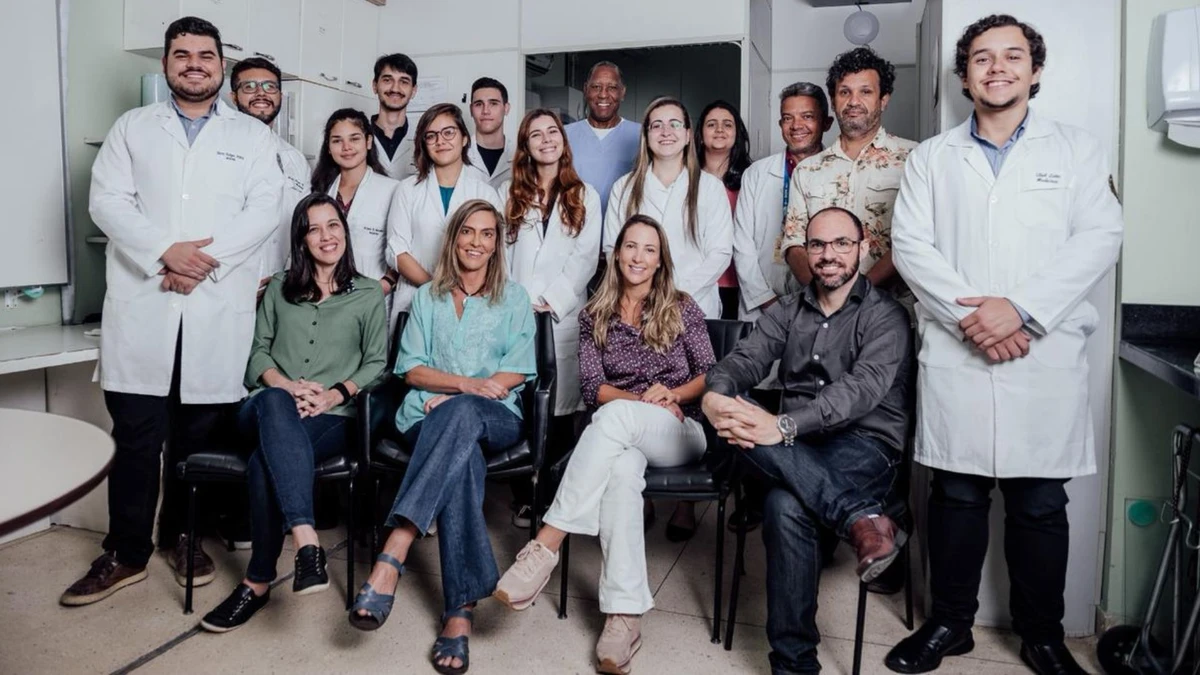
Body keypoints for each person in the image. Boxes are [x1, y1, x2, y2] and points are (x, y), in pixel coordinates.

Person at [885, 15, 1123, 675]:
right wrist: (977, 320)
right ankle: (949, 624)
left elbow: (1099, 239)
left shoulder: (1076, 150)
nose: (997, 68)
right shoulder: (933, 157)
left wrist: (1017, 310)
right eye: (982, 59)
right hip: (961, 352)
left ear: (1035, 70)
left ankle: (1042, 634)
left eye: (1012, 57)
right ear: (964, 76)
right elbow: (910, 246)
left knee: (1040, 504)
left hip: (1040, 354)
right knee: (955, 497)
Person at [63, 16, 282, 606]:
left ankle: (183, 536)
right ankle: (126, 551)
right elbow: (106, 201)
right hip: (145, 306)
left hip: (213, 310)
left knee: (195, 443)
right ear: (165, 65)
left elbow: (264, 210)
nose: (194, 63)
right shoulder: (133, 128)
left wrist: (200, 264)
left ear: (221, 66)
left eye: (205, 55)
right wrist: (166, 252)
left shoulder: (253, 139)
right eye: (181, 54)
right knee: (136, 439)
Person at [494, 214, 716, 675]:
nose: (638, 256)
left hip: (680, 430)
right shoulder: (595, 312)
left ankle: (546, 543)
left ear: (660, 260)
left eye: (649, 249)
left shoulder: (682, 305)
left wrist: (671, 395)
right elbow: (595, 388)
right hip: (624, 432)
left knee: (614, 419)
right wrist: (642, 401)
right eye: (630, 247)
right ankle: (623, 617)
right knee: (619, 473)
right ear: (616, 253)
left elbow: (710, 375)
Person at [702, 206, 913, 674]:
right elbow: (745, 359)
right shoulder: (791, 309)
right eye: (817, 244)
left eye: (841, 243)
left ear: (862, 249)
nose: (828, 255)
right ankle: (861, 518)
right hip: (793, 445)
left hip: (867, 444)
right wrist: (718, 395)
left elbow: (859, 392)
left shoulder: (886, 317)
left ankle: (793, 667)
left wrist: (780, 426)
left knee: (783, 503)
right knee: (743, 423)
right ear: (806, 252)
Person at [350, 200, 536, 675]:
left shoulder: (514, 298)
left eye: (487, 234)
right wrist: (462, 386)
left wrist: (466, 396)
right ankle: (459, 614)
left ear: (497, 244)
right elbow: (410, 369)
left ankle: (395, 548)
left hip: (495, 416)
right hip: (425, 417)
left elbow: (519, 370)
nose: (477, 242)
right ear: (453, 239)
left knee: (463, 419)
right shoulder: (428, 297)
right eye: (467, 233)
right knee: (463, 459)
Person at [199, 193, 387, 632]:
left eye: (334, 225)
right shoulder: (279, 290)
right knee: (272, 404)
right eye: (314, 228)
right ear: (301, 239)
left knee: (268, 461)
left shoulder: (367, 294)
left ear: (345, 231)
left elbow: (377, 363)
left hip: (331, 417)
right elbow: (256, 353)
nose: (326, 236)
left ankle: (257, 583)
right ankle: (306, 539)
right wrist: (285, 387)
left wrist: (332, 395)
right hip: (267, 407)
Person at [500, 108, 603, 528]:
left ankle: (552, 495)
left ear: (563, 140)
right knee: (521, 403)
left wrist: (551, 300)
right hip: (515, 313)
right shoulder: (508, 193)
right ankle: (525, 495)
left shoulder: (585, 195)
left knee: (560, 409)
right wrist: (516, 302)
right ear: (525, 145)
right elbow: (500, 257)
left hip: (560, 315)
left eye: (552, 132)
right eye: (535, 134)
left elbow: (585, 259)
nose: (546, 139)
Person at [781, 47, 918, 309]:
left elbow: (914, 239)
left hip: (893, 309)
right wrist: (825, 296)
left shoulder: (914, 158)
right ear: (833, 100)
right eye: (845, 92)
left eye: (865, 91)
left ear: (884, 99)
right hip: (823, 313)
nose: (854, 101)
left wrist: (858, 293)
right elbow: (794, 242)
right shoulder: (808, 170)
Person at [605, 97, 733, 320]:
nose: (666, 132)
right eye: (657, 126)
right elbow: (611, 249)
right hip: (636, 309)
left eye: (674, 124)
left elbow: (720, 253)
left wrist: (674, 295)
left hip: (694, 306)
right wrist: (644, 295)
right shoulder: (623, 187)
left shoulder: (710, 187)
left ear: (687, 136)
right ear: (646, 136)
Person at [387, 102, 501, 321]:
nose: (441, 141)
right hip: (415, 296)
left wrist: (461, 294)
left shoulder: (485, 193)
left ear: (465, 138)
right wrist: (437, 289)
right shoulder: (407, 189)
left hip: (472, 301)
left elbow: (494, 251)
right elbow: (396, 251)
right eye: (431, 136)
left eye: (448, 132)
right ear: (424, 144)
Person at [734, 83, 832, 321]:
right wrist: (766, 300)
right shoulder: (756, 174)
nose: (796, 126)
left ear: (826, 123)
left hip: (821, 304)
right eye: (787, 118)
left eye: (807, 117)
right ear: (780, 125)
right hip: (761, 304)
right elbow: (741, 243)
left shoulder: (838, 172)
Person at [227, 56, 310, 289]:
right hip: (228, 285)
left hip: (281, 286)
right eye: (249, 86)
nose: (261, 93)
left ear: (280, 96)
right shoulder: (218, 149)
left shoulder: (295, 159)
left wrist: (288, 279)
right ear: (233, 96)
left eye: (270, 86)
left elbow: (302, 227)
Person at [311, 108, 401, 292]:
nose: (346, 147)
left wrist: (386, 284)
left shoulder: (393, 190)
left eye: (354, 139)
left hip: (373, 295)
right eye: (337, 140)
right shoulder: (319, 191)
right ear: (328, 147)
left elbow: (404, 250)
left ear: (368, 142)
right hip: (326, 295)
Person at [694, 100, 752, 322]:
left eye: (727, 124)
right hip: (695, 283)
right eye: (711, 124)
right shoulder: (685, 179)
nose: (719, 129)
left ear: (737, 133)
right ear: (699, 134)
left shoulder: (751, 178)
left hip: (737, 283)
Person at [564, 61, 642, 214]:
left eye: (612, 87)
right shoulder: (564, 135)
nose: (603, 94)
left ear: (623, 92)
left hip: (624, 228)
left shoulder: (641, 135)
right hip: (574, 227)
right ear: (586, 90)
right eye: (596, 87)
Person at [371, 53, 420, 181]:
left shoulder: (424, 138)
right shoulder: (358, 136)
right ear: (375, 86)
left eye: (404, 81)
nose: (395, 88)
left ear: (413, 91)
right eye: (387, 80)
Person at [466, 77, 514, 189]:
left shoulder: (521, 157)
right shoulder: (457, 155)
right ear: (471, 110)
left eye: (493, 103)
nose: (486, 111)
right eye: (479, 104)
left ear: (506, 108)